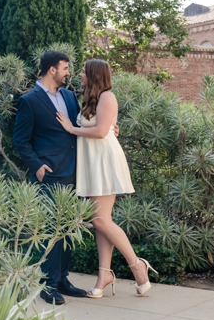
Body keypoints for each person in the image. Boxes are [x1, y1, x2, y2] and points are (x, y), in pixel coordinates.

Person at [56, 59, 155, 297]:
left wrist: (71, 128)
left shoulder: (107, 97)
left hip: (104, 162)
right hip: (93, 163)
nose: (80, 74)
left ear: (94, 75)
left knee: (99, 220)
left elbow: (101, 132)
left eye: (83, 72)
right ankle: (104, 274)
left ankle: (137, 266)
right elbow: (106, 126)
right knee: (102, 220)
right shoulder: (92, 99)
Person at [12, 49, 91, 305]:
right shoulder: (30, 100)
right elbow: (21, 140)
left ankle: (62, 280)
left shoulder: (69, 96)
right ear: (52, 70)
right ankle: (47, 284)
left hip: (72, 171)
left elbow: (79, 126)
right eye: (66, 68)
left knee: (67, 228)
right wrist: (36, 165)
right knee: (49, 230)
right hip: (49, 175)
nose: (69, 73)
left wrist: (108, 126)